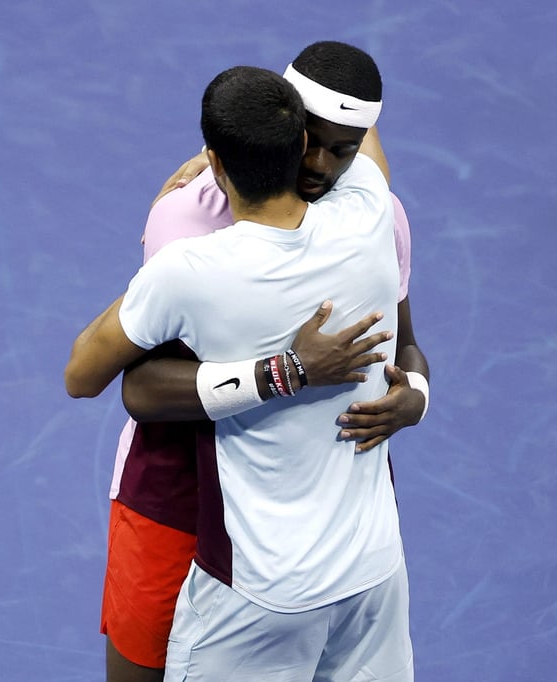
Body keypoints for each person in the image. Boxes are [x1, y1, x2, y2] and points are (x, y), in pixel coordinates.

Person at [66, 63, 412, 681]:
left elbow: (84, 373)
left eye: (343, 149)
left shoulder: (190, 263)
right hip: (331, 552)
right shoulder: (369, 212)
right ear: (298, 142)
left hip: (278, 568)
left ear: (215, 161)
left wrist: (410, 391)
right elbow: (141, 389)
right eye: (317, 141)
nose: (328, 162)